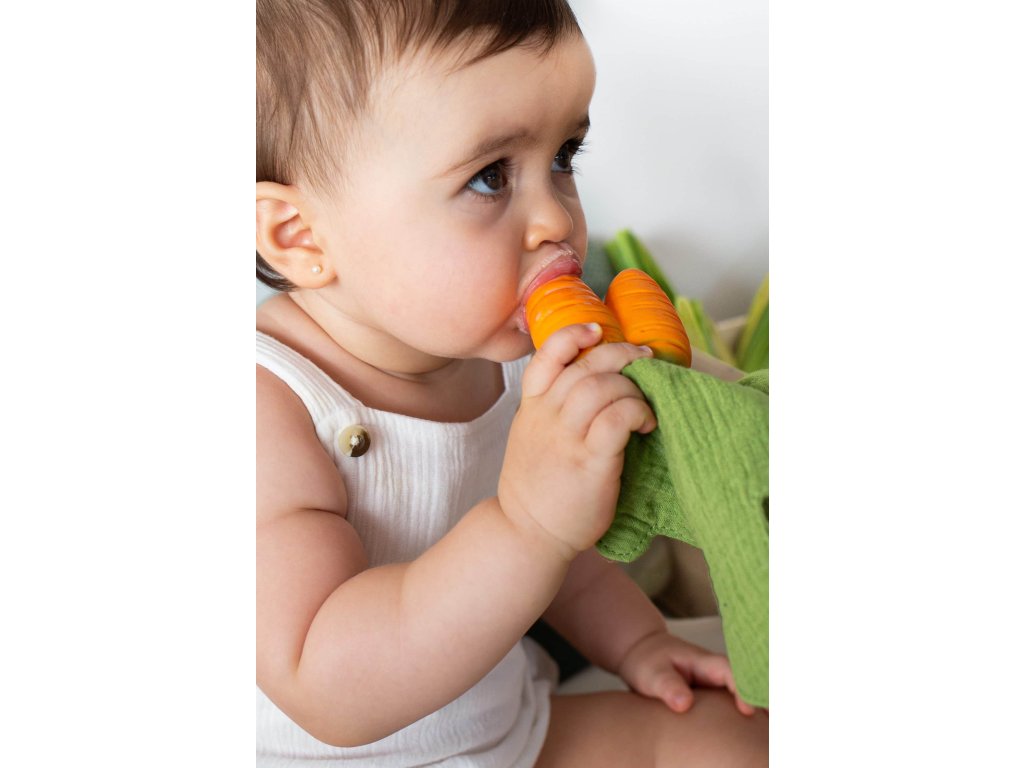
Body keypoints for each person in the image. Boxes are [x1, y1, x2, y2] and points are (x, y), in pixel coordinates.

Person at [255, 1, 768, 765]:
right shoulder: (269, 407)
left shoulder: (504, 354)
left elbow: (567, 559)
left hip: (510, 733)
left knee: (742, 739)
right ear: (300, 237)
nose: (555, 220)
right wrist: (528, 525)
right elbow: (325, 686)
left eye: (564, 157)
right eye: (490, 176)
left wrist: (639, 642)